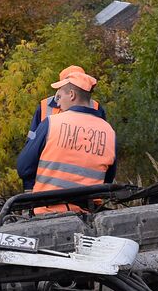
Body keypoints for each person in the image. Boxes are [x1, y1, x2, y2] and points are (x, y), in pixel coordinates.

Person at [17, 71, 116, 214]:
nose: (57, 101)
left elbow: (24, 168)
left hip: (47, 213)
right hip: (88, 215)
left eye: (60, 96)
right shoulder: (109, 132)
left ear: (72, 94)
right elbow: (108, 178)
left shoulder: (51, 123)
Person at [25, 66, 106, 189]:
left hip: (84, 182)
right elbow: (31, 144)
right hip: (48, 180)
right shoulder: (44, 106)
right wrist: (30, 187)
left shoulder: (96, 107)